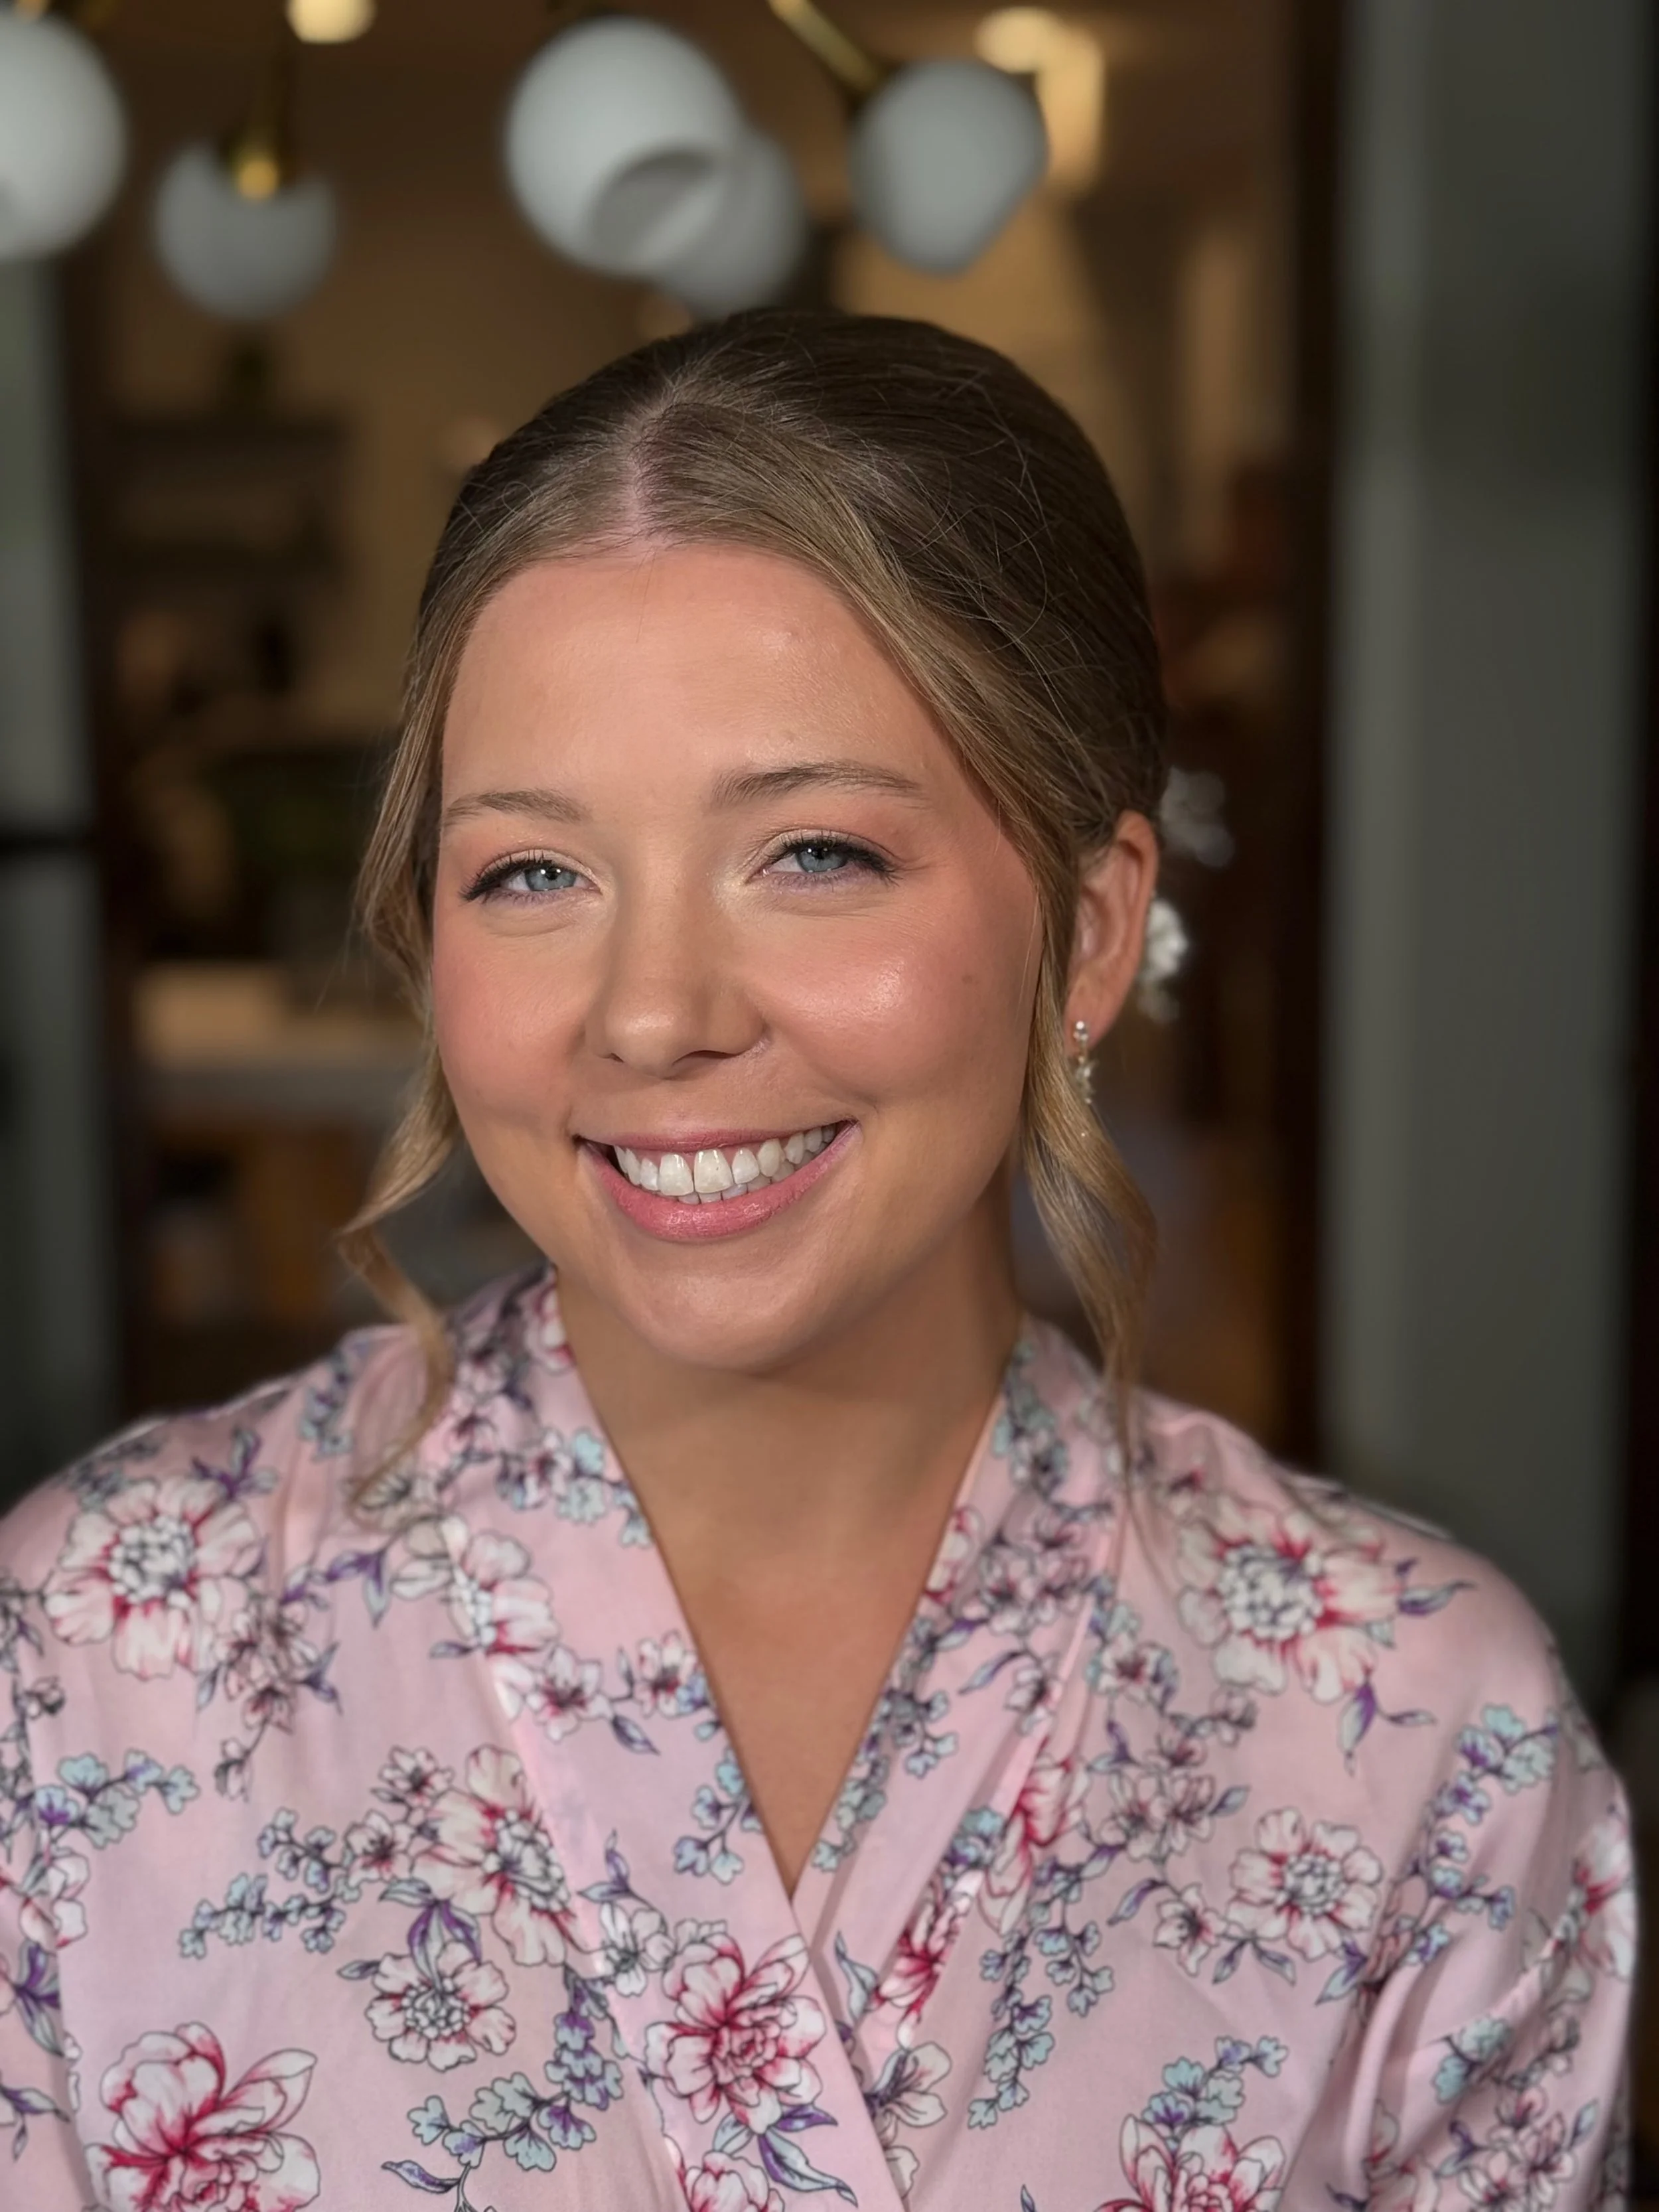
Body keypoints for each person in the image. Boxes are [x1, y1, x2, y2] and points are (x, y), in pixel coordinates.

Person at [0, 311, 1630, 2211]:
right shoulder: (86, 1662)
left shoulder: (1421, 1737)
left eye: (815, 855)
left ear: (1090, 934)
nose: (654, 1014)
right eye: (531, 872)